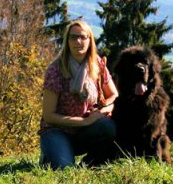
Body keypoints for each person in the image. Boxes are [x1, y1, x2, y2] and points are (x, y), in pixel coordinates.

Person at [39, 20, 118, 169]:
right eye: (73, 37)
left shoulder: (97, 65)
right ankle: (49, 155)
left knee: (108, 126)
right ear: (67, 41)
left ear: (90, 40)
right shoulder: (55, 70)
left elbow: (114, 96)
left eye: (83, 37)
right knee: (65, 168)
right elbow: (49, 116)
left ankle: (90, 162)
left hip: (84, 132)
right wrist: (84, 122)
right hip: (57, 131)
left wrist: (102, 111)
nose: (78, 41)